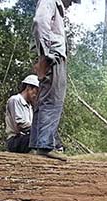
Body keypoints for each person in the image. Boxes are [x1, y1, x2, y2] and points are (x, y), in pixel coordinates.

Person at [30, 0, 80, 161]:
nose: (71, 4)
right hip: (53, 57)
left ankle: (37, 143)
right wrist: (45, 56)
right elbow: (39, 22)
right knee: (53, 99)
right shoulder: (50, 1)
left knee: (44, 99)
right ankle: (45, 145)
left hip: (50, 56)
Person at [5, 75, 40, 153]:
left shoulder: (30, 106)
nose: (36, 95)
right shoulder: (15, 100)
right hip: (15, 140)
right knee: (39, 136)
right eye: (36, 92)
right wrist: (37, 128)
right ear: (28, 88)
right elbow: (20, 124)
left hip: (26, 139)